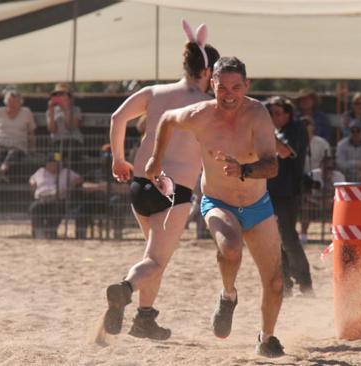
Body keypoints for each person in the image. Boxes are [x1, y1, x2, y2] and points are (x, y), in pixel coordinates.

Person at [146, 57, 285, 357]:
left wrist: (244, 170)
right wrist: (155, 160)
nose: (229, 94)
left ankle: (267, 337)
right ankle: (228, 295)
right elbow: (167, 119)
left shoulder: (258, 114)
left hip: (258, 204)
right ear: (212, 85)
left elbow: (272, 165)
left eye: (237, 87)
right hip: (218, 202)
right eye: (223, 88)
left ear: (247, 86)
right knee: (231, 248)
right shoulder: (199, 114)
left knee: (274, 281)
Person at [102, 21, 220, 341]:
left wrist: (118, 158)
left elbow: (117, 118)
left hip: (141, 183)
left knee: (153, 257)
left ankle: (144, 318)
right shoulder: (208, 106)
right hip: (174, 188)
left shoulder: (155, 92)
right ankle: (124, 290)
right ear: (208, 73)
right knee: (155, 260)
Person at [264, 96, 313, 297]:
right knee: (274, 241)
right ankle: (286, 285)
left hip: (286, 192)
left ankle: (305, 284)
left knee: (289, 240)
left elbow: (284, 152)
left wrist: (262, 129)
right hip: (271, 191)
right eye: (271, 114)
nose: (273, 117)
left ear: (288, 114)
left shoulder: (296, 129)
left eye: (277, 113)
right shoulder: (278, 130)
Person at [29, 152, 82, 239]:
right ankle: (39, 233)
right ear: (48, 164)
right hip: (42, 199)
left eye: (59, 163)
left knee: (57, 208)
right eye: (54, 163)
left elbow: (79, 179)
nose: (57, 165)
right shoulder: (41, 172)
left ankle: (51, 232)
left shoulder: (66, 172)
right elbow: (32, 180)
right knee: (34, 208)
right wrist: (33, 184)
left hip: (58, 199)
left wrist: (72, 185)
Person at [0, 88, 36, 181]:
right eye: (9, 101)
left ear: (20, 102)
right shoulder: (0, 111)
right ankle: (1, 172)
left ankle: (1, 171)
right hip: (0, 143)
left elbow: (31, 132)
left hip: (18, 145)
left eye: (15, 101)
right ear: (6, 102)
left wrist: (33, 148)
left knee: (13, 152)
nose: (12, 104)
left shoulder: (26, 112)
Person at [300, 154, 345, 241]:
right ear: (320, 166)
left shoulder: (339, 176)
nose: (327, 170)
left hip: (331, 202)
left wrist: (329, 183)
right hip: (314, 202)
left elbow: (341, 194)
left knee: (338, 207)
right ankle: (303, 236)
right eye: (325, 167)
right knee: (306, 208)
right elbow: (306, 191)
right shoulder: (313, 174)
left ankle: (335, 235)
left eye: (330, 168)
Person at [46, 83, 84, 161]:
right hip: (57, 143)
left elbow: (71, 127)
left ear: (69, 97)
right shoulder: (50, 111)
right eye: (56, 94)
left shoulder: (76, 110)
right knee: (55, 159)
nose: (59, 96)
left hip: (73, 143)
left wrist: (65, 109)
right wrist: (51, 110)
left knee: (72, 157)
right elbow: (52, 130)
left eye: (62, 94)